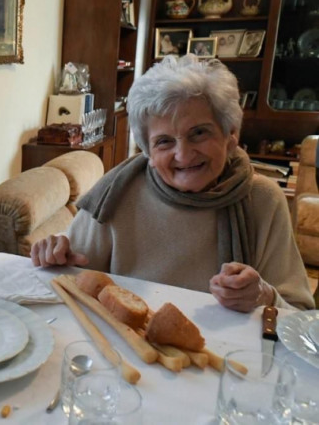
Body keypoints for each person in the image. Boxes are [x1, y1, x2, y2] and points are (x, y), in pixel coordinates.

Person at [31, 54, 313, 312]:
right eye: (164, 141)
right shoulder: (116, 192)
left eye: (199, 133)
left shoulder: (263, 199)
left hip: (230, 358)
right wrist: (53, 255)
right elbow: (71, 280)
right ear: (149, 153)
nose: (184, 154)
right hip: (128, 347)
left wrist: (265, 297)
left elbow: (299, 313)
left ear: (231, 136)